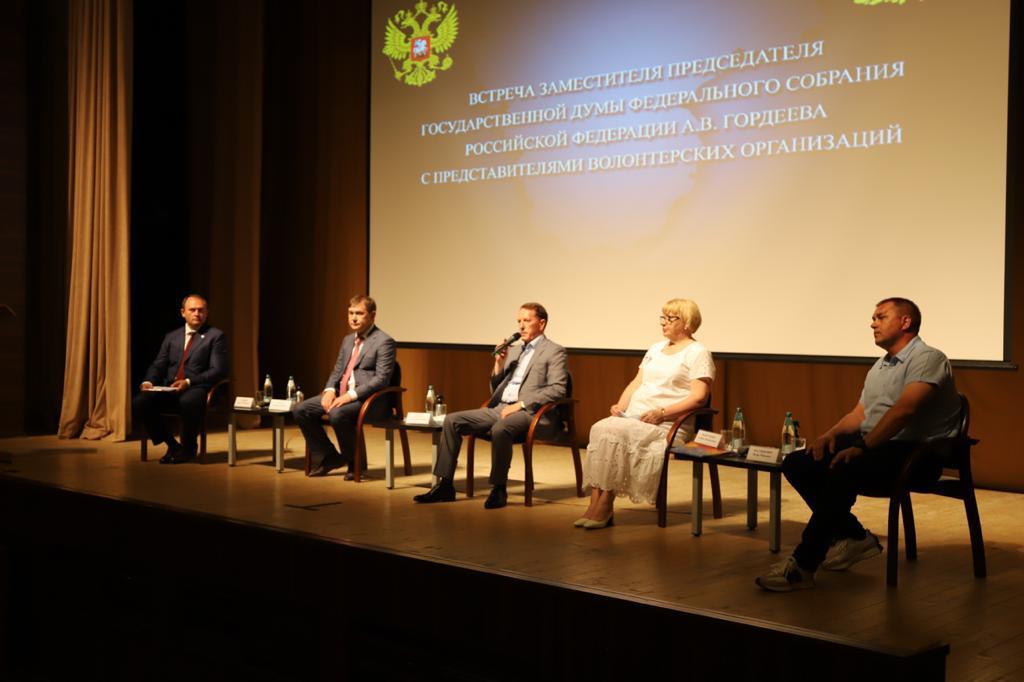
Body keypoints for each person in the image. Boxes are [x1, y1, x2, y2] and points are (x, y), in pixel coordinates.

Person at [756, 297, 961, 592]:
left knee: (845, 466)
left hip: (918, 456)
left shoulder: (928, 358)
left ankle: (803, 565)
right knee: (799, 463)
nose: (872, 323)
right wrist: (829, 435)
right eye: (873, 317)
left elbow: (905, 411)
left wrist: (862, 447)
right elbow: (860, 413)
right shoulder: (880, 366)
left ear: (905, 322)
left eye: (880, 316)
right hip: (881, 449)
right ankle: (855, 536)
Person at [577, 299, 714, 529]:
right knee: (602, 427)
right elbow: (636, 383)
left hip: (667, 423)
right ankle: (594, 503)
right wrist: (620, 407)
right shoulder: (655, 348)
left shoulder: (698, 352)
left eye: (671, 318)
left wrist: (662, 413)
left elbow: (699, 397)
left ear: (688, 323)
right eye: (664, 317)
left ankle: (605, 505)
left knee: (615, 433)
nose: (664, 323)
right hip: (635, 417)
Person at [414, 302, 568, 509]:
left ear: (541, 323)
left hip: (530, 412)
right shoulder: (514, 351)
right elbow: (496, 389)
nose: (521, 326)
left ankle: (499, 488)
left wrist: (521, 404)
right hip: (500, 408)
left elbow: (558, 389)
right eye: (519, 321)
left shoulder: (554, 351)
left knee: (501, 429)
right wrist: (498, 364)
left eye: (527, 321)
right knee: (452, 420)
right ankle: (445, 485)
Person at [293, 295, 396, 479]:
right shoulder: (348, 340)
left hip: (369, 400)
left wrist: (350, 396)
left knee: (337, 413)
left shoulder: (384, 341)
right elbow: (337, 370)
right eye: (350, 313)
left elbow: (381, 379)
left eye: (359, 313)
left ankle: (355, 464)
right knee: (301, 409)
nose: (354, 318)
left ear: (372, 316)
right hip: (341, 394)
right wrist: (329, 390)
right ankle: (330, 456)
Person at [133, 294, 228, 464]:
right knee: (140, 402)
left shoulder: (215, 336)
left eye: (201, 310)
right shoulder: (172, 336)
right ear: (183, 312)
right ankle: (173, 445)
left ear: (207, 313)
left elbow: (218, 370)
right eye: (192, 310)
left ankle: (189, 448)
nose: (197, 313)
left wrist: (189, 382)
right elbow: (158, 364)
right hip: (170, 387)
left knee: (189, 401)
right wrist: (148, 381)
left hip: (196, 387)